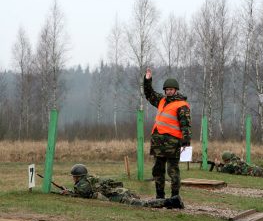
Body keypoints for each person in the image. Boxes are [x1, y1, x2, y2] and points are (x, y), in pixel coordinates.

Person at [144, 68, 191, 199]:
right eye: (167, 89)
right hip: (158, 143)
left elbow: (186, 125)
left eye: (171, 89)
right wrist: (147, 79)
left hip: (173, 144)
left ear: (176, 90)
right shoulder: (162, 101)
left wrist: (186, 143)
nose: (169, 91)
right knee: (157, 170)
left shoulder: (182, 105)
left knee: (173, 171)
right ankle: (160, 196)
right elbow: (149, 94)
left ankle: (175, 196)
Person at [60, 164, 184, 209]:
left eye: (73, 176)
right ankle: (172, 201)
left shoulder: (83, 184)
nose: (73, 179)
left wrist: (69, 193)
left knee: (145, 205)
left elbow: (83, 194)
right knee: (143, 203)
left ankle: (173, 201)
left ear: (77, 176)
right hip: (122, 192)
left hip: (119, 197)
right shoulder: (89, 179)